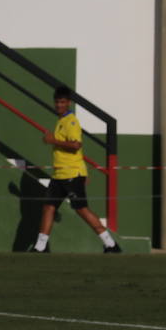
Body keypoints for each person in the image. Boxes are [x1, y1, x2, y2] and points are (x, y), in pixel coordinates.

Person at [28, 86, 121, 254]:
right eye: (57, 102)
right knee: (48, 207)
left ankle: (111, 244)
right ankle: (40, 247)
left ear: (68, 103)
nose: (59, 105)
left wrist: (53, 141)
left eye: (63, 102)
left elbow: (76, 145)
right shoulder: (61, 121)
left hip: (71, 174)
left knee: (81, 209)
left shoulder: (71, 121)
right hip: (59, 174)